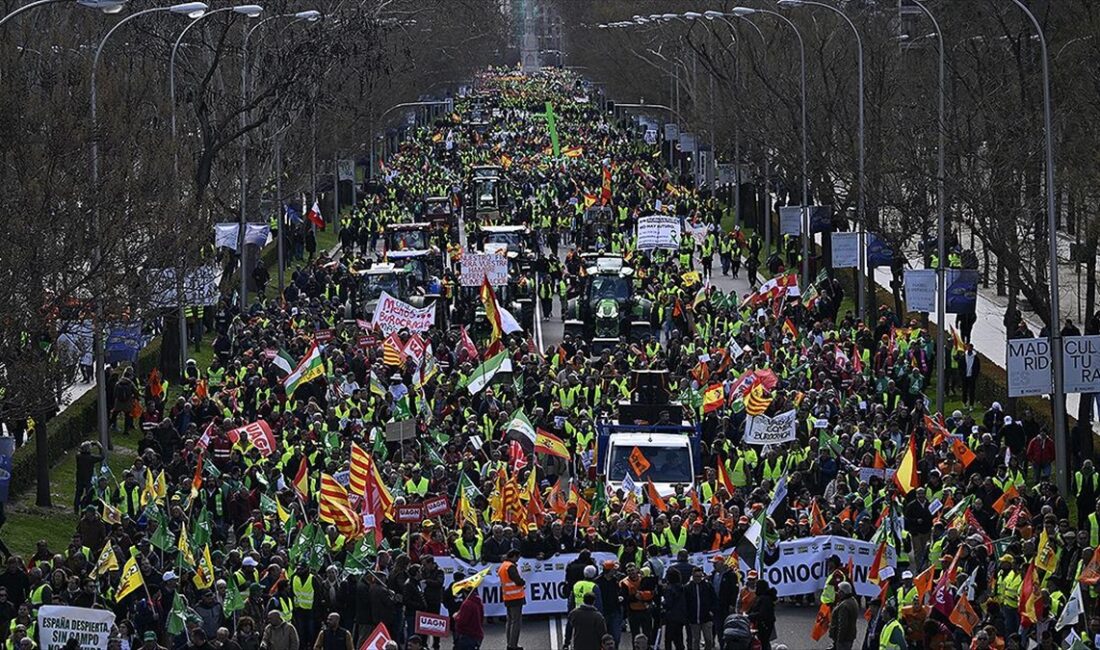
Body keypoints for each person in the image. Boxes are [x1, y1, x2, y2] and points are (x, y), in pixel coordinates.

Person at [498, 549, 526, 650]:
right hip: (516, 597)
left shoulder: (503, 566)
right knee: (516, 622)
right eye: (517, 557)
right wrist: (523, 582)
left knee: (510, 621)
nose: (518, 560)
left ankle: (510, 643)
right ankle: (513, 645)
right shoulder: (510, 567)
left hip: (508, 597)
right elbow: (518, 581)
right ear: (513, 556)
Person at [453, 584, 484, 650]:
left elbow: (462, 622)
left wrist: (456, 617)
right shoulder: (478, 602)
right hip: (477, 635)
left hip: (467, 636)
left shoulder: (467, 604)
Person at [828, 582, 858, 650]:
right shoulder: (853, 601)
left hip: (843, 639)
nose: (837, 592)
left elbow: (843, 624)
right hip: (849, 636)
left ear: (843, 592)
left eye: (839, 590)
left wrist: (839, 640)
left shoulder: (844, 606)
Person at [746, 581, 775, 650]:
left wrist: (749, 616)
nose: (755, 588)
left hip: (764, 624)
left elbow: (762, 614)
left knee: (763, 642)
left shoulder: (765, 599)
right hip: (763, 624)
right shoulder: (761, 597)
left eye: (756, 586)